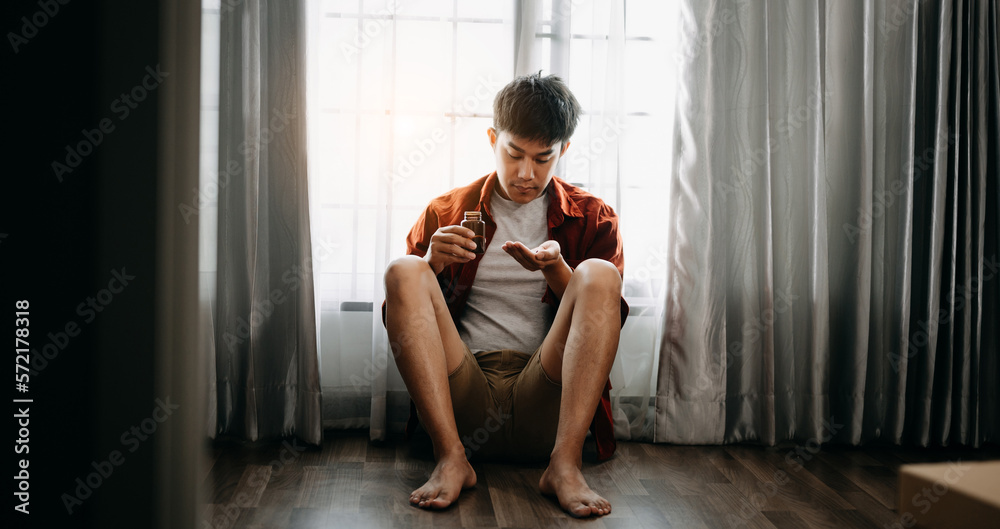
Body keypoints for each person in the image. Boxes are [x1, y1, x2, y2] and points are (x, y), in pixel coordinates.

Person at [382, 72, 627, 518]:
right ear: (493, 138)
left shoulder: (594, 218)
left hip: (548, 399)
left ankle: (565, 467)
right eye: (513, 154)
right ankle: (450, 457)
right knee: (405, 270)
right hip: (463, 393)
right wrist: (433, 264)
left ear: (563, 151)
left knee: (599, 275)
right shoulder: (445, 211)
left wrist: (556, 270)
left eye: (542, 158)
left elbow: (604, 315)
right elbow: (401, 314)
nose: (525, 173)